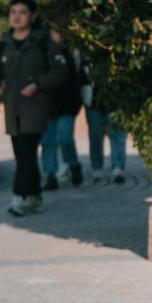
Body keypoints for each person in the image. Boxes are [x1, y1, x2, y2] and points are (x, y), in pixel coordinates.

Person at [0, 0, 67, 216]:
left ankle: (19, 197)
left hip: (36, 107)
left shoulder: (43, 40)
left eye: (22, 12)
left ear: (32, 16)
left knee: (26, 151)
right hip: (13, 109)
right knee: (23, 154)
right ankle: (35, 194)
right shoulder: (4, 43)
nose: (17, 17)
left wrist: (38, 85)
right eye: (13, 12)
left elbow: (59, 71)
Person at [40, 28, 84, 190]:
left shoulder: (67, 54)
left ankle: (74, 164)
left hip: (66, 106)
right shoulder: (42, 54)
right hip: (47, 107)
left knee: (65, 138)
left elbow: (74, 81)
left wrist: (75, 104)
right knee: (48, 141)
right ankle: (50, 175)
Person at [81, 65, 129, 184]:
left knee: (117, 131)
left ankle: (118, 167)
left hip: (116, 99)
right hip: (93, 101)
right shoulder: (87, 55)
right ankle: (97, 167)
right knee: (95, 135)